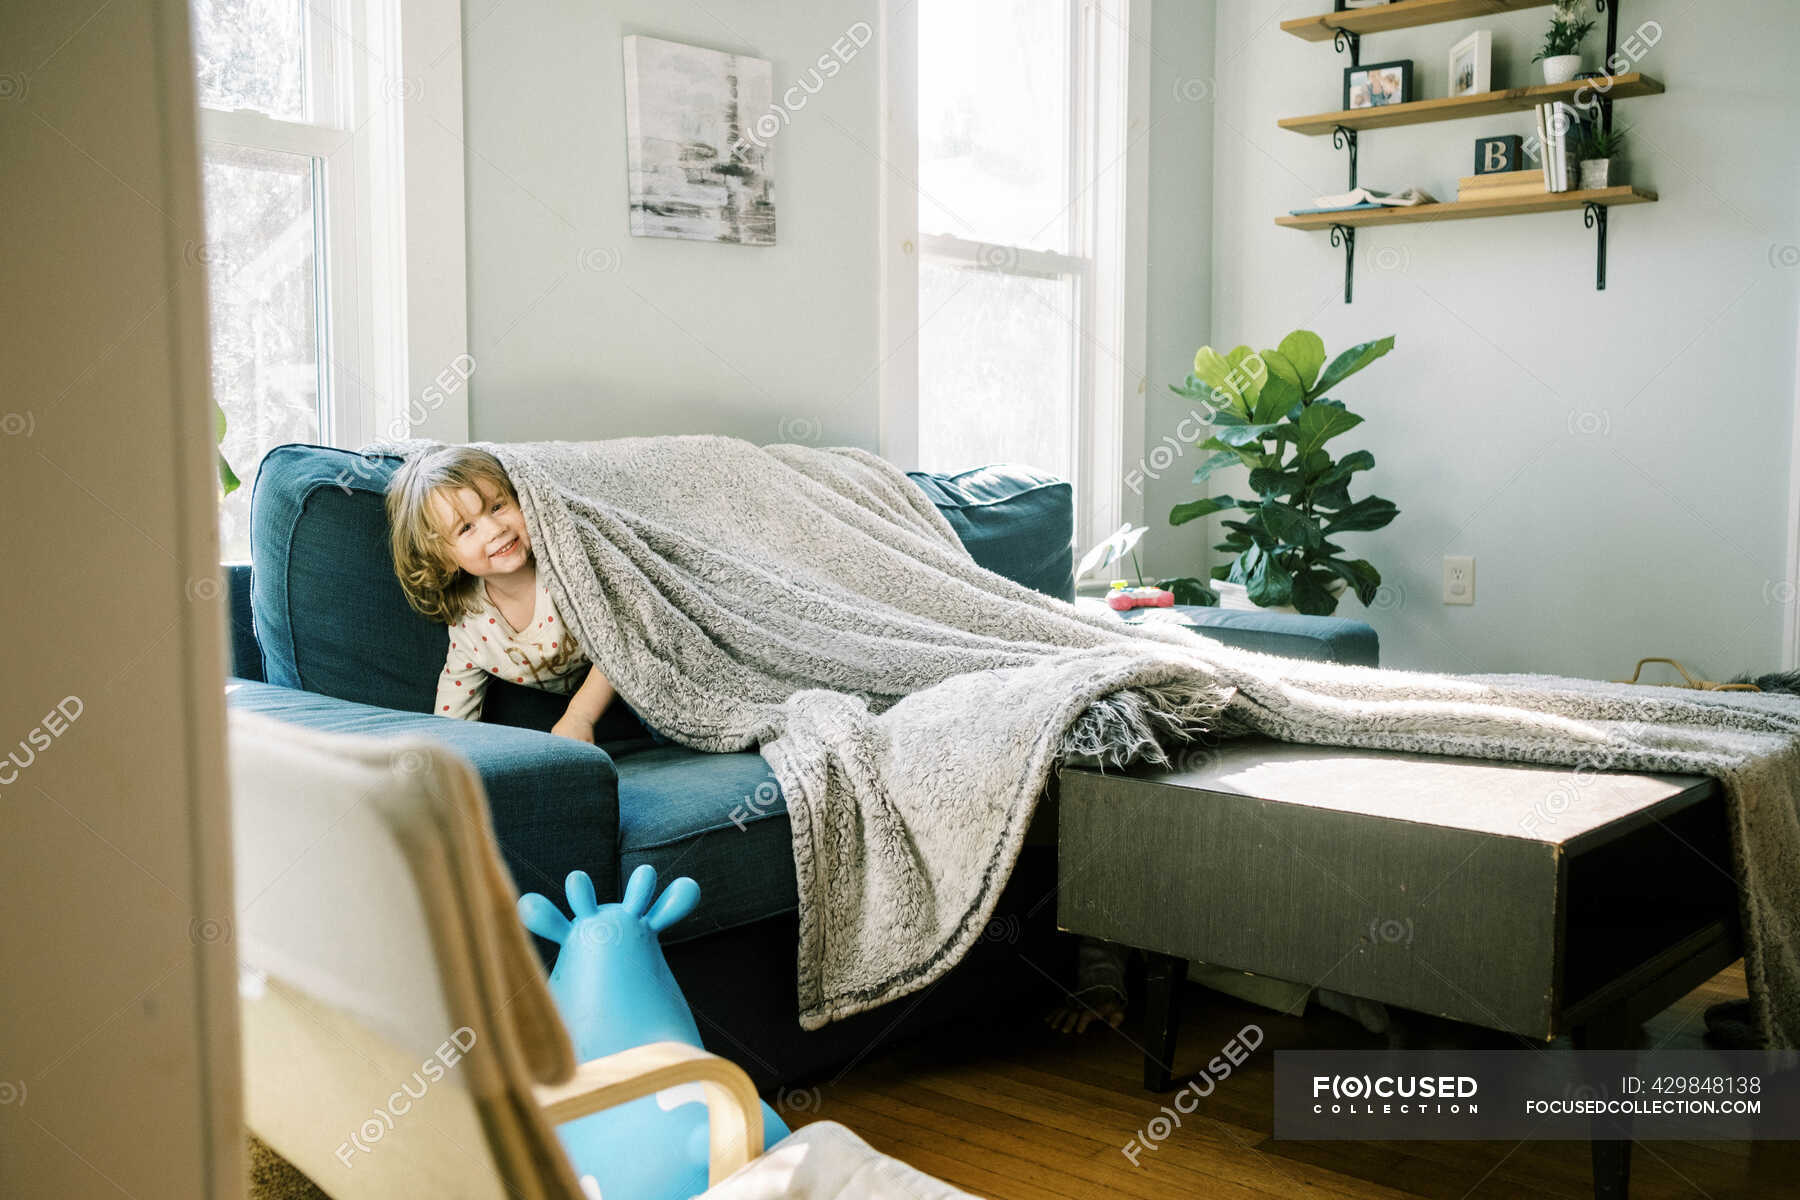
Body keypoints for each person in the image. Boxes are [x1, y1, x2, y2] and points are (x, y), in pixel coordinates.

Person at [386, 446, 617, 742]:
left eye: (497, 507)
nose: (494, 530)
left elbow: (622, 638)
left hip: (620, 688)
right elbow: (454, 721)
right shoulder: (471, 626)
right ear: (443, 558)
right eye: (466, 528)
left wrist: (580, 716)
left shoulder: (566, 568)